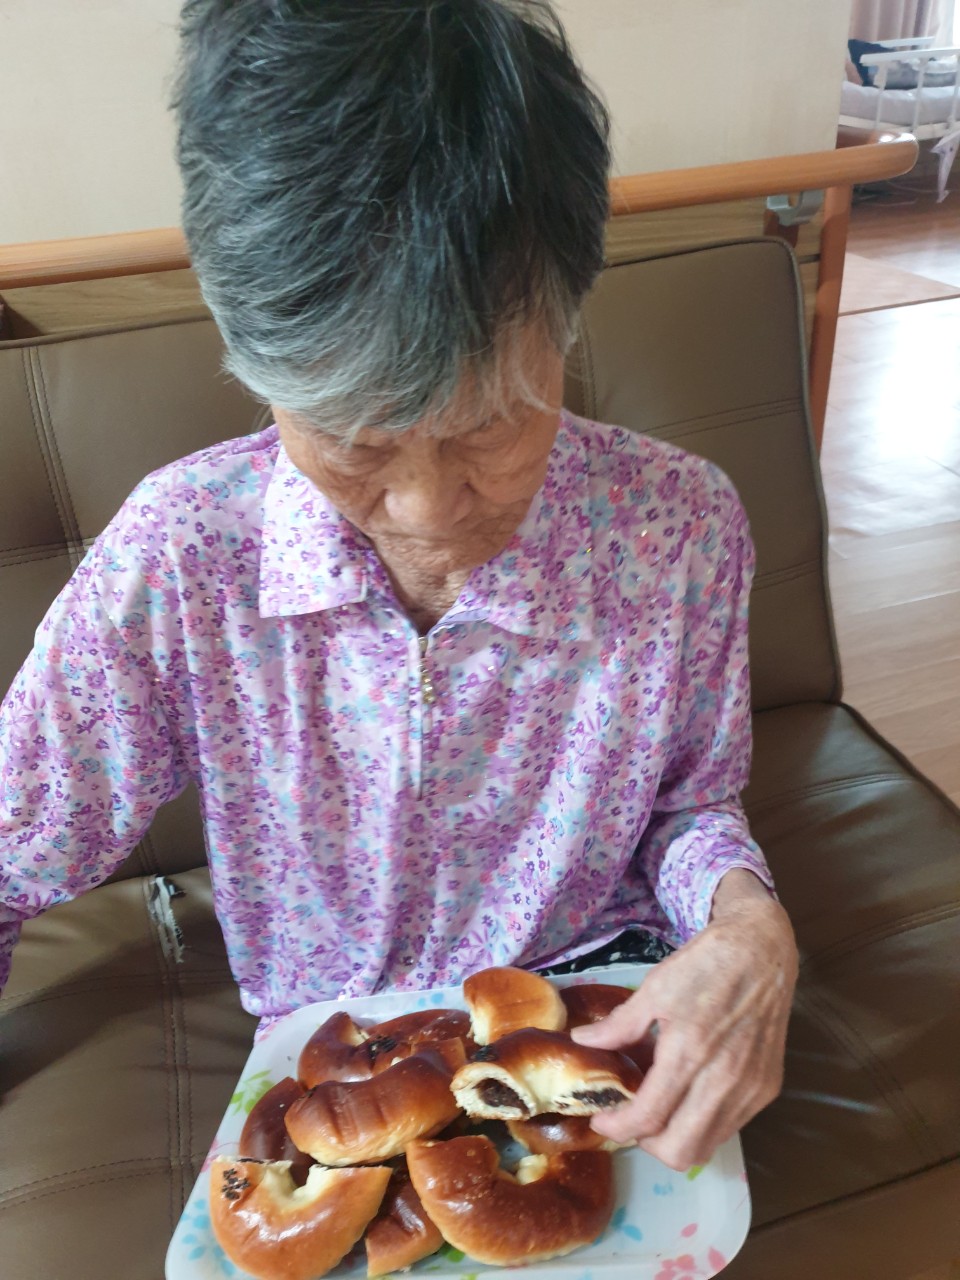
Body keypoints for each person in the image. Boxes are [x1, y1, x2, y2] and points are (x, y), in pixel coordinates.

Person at [0, 0, 797, 1173]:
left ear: (568, 323)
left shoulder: (675, 529)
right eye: (354, 438)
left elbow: (689, 806)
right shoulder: (183, 555)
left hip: (591, 1024)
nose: (427, 510)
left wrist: (749, 919)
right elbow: (11, 836)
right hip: (335, 1072)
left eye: (489, 423)